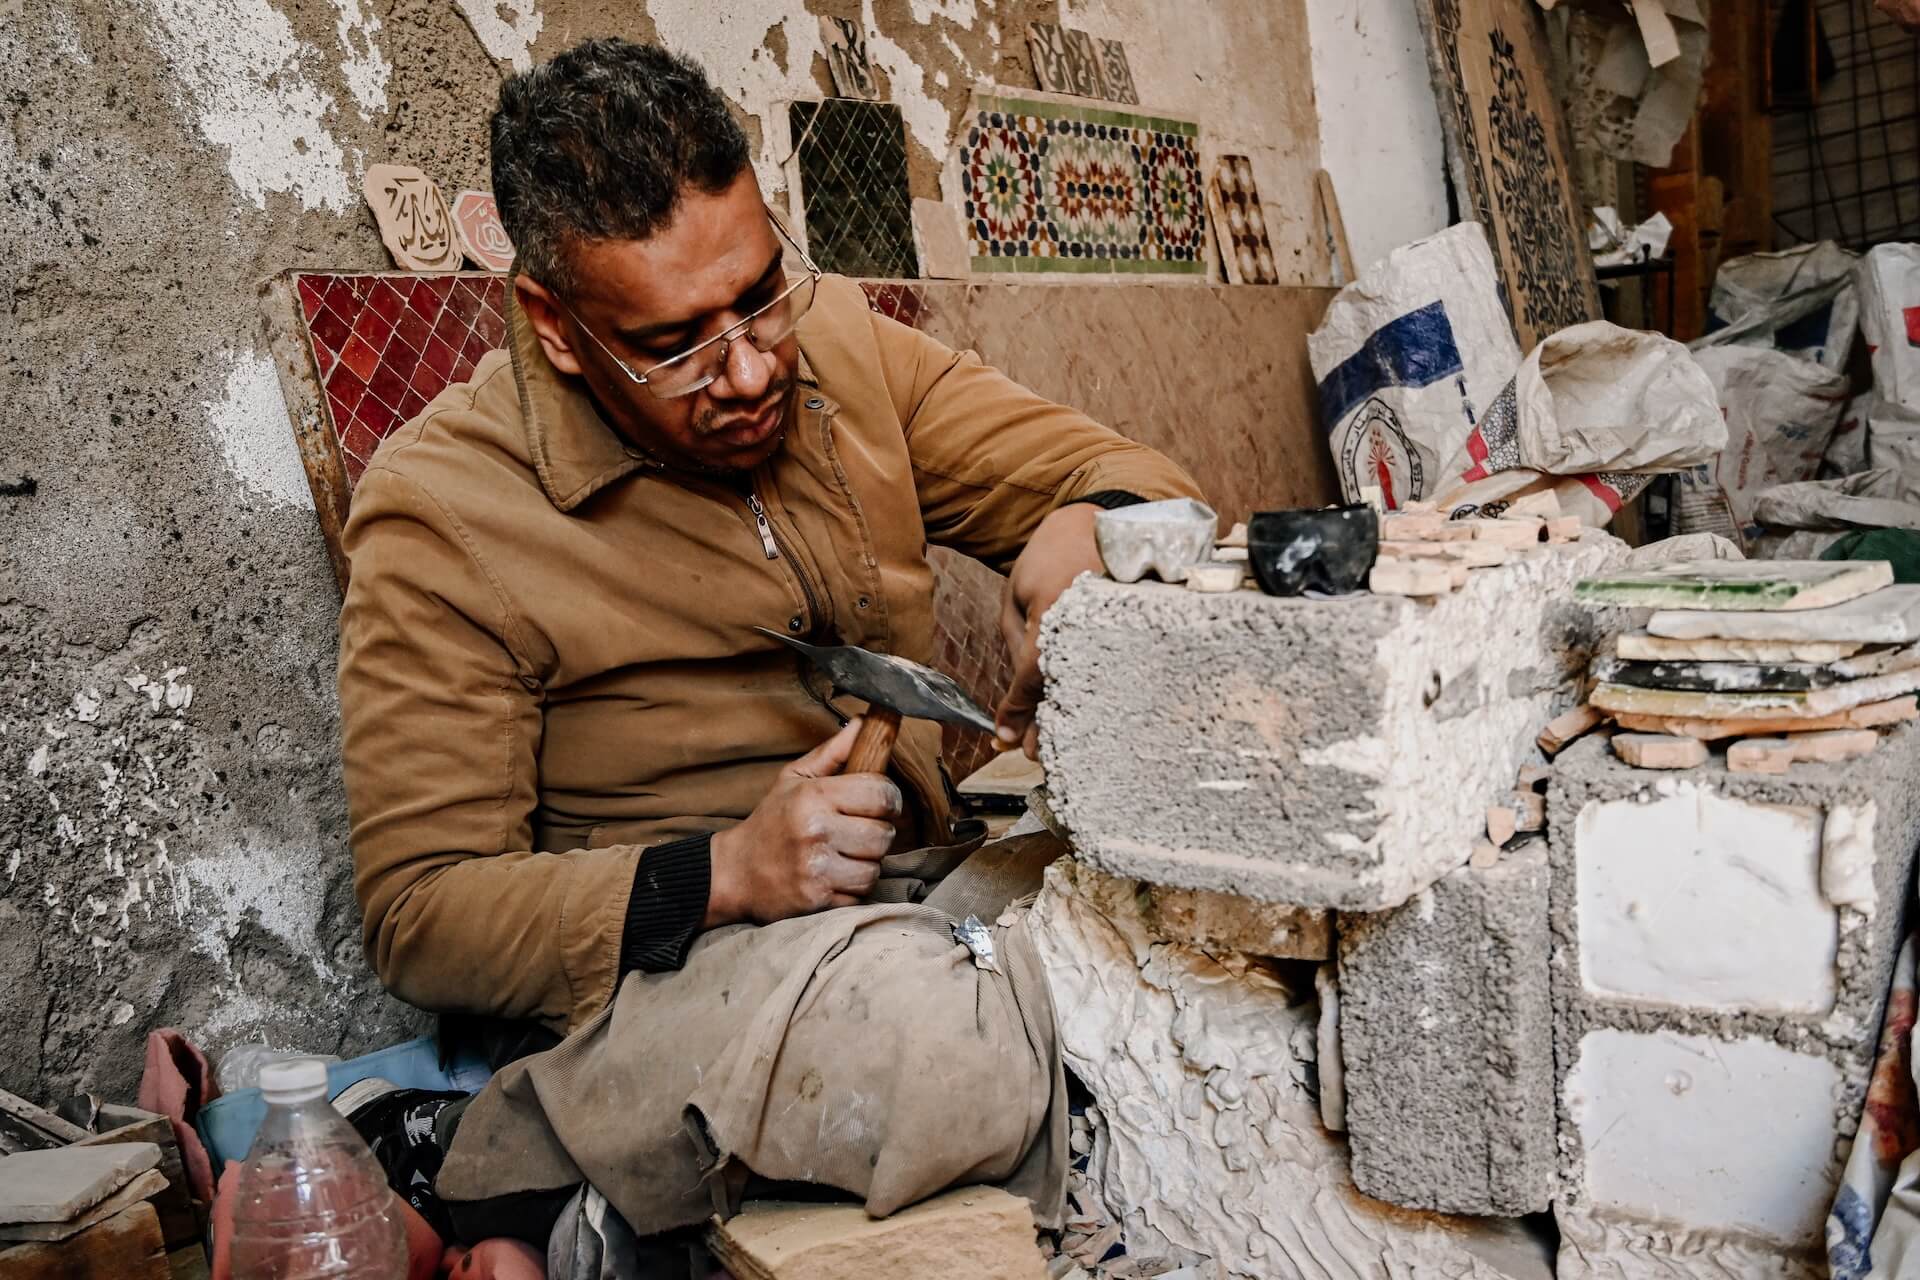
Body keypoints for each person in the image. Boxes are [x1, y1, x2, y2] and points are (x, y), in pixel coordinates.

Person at [334, 37, 1203, 1255]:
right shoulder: (445, 510)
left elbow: (1125, 476)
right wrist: (726, 872)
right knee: (960, 1048)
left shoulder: (836, 344)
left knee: (1171, 942)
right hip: (671, 975)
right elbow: (423, 914)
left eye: (758, 298)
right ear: (559, 324)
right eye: (678, 342)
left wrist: (1087, 531)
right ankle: (515, 1152)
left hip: (910, 899)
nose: (749, 369)